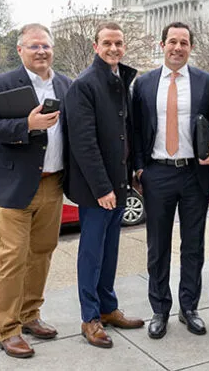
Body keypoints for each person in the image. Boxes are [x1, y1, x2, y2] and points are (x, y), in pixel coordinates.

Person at [0, 23, 71, 359]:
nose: (41, 51)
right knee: (12, 258)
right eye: (33, 46)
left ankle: (30, 316)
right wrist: (26, 126)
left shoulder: (66, 85)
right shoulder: (0, 85)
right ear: (20, 50)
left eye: (45, 45)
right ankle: (8, 329)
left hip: (53, 184)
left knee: (42, 253)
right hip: (14, 186)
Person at [131, 21, 209, 339]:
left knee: (193, 247)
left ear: (190, 47)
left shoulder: (204, 82)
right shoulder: (143, 84)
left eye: (184, 42)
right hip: (157, 173)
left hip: (194, 174)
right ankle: (160, 310)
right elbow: (134, 130)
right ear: (162, 45)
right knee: (157, 247)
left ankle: (189, 308)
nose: (178, 47)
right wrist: (139, 168)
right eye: (172, 41)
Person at [63, 22, 144, 348]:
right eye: (107, 43)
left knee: (110, 252)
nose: (114, 48)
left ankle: (108, 308)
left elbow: (126, 133)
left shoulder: (119, 80)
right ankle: (90, 317)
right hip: (98, 190)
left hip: (119, 184)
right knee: (92, 254)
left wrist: (131, 175)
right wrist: (102, 188)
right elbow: (83, 143)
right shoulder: (84, 85)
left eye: (119, 43)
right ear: (96, 46)